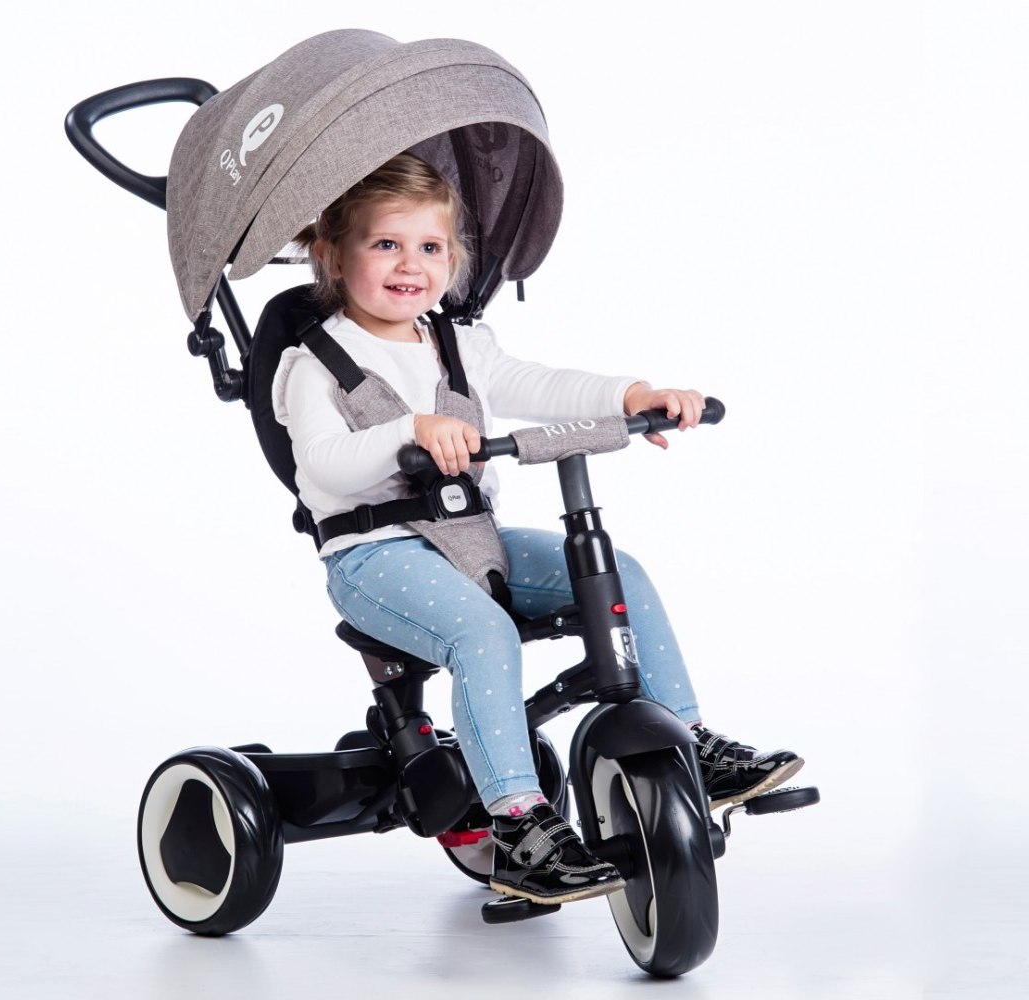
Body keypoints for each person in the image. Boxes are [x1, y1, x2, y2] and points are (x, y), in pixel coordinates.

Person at [272, 153, 802, 906]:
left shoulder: (459, 344)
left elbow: (539, 385)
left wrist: (632, 394)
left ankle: (690, 740)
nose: (410, 265)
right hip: (375, 554)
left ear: (454, 259)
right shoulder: (315, 362)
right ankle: (518, 823)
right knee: (483, 632)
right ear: (331, 253)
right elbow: (322, 464)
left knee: (618, 573)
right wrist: (408, 430)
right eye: (385, 244)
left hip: (473, 539)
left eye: (430, 247)